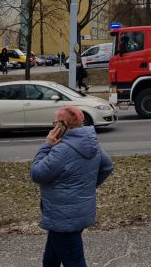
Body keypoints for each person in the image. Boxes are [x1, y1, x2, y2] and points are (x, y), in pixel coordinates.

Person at [31, 106, 113, 267]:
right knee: (51, 258)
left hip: (63, 217)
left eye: (55, 123)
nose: (53, 127)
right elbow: (107, 166)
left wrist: (47, 145)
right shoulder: (91, 144)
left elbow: (36, 174)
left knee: (74, 262)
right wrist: (87, 186)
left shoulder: (61, 150)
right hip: (75, 213)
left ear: (63, 124)